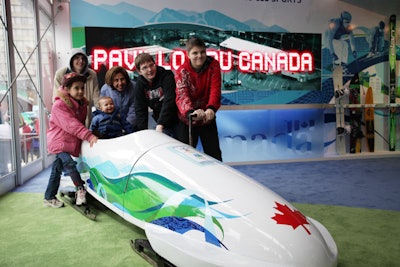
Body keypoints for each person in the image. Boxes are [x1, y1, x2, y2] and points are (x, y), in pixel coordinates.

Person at [44, 72, 98, 208]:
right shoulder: (59, 106)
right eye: (76, 88)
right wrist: (88, 136)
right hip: (59, 141)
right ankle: (80, 189)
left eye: (82, 88)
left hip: (68, 141)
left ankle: (49, 197)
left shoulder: (81, 105)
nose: (80, 91)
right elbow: (72, 125)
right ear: (67, 89)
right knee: (69, 164)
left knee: (56, 169)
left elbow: (80, 124)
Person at [174, 37, 222, 161]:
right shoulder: (182, 71)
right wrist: (191, 112)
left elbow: (215, 89)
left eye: (202, 52)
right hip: (188, 119)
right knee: (186, 158)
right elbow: (181, 95)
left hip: (207, 116)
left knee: (214, 155)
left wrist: (211, 108)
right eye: (195, 53)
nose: (199, 56)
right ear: (188, 54)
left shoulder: (214, 65)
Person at [134, 53, 179, 136]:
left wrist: (161, 124)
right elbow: (140, 109)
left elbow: (169, 100)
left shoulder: (167, 75)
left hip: (177, 118)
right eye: (145, 68)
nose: (150, 70)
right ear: (139, 71)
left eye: (151, 65)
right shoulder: (139, 85)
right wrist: (143, 133)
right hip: (159, 120)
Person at [53, 48, 99, 127]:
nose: (81, 61)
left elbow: (96, 97)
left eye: (83, 58)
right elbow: (57, 97)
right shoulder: (60, 74)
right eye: (77, 58)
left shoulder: (92, 74)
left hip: (86, 116)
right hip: (67, 117)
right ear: (71, 60)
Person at [100, 66, 137, 131]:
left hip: (131, 126)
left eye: (122, 79)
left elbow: (133, 111)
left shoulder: (134, 87)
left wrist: (125, 128)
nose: (120, 83)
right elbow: (102, 110)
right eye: (116, 80)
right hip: (112, 126)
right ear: (111, 81)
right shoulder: (105, 89)